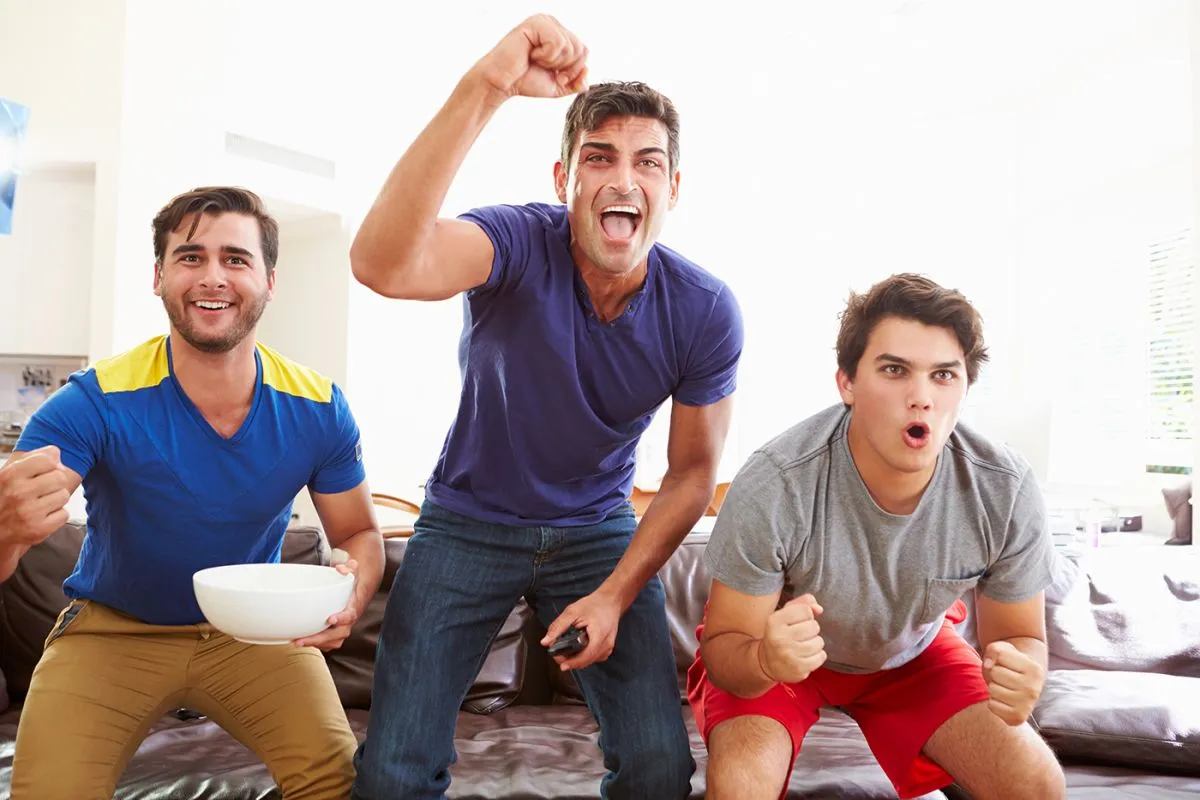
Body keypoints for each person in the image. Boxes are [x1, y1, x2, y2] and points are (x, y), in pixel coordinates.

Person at [348, 14, 743, 800]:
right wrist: (488, 84)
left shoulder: (703, 309)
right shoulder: (515, 243)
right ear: (564, 182)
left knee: (661, 768)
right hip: (466, 522)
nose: (623, 179)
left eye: (647, 163)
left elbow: (694, 474)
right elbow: (381, 264)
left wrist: (616, 592)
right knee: (392, 774)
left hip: (596, 532)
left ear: (672, 189)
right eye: (599, 159)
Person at [0, 186, 385, 799]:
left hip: (254, 636)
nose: (213, 277)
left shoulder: (318, 408)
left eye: (236, 259)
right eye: (190, 257)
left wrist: (352, 592)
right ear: (158, 276)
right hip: (111, 633)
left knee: (339, 783)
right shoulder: (93, 401)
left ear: (268, 280)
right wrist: (6, 525)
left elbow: (361, 535)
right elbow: (11, 532)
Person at [689, 273, 1066, 800]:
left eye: (943, 375)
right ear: (847, 383)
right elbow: (727, 646)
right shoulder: (776, 481)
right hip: (780, 657)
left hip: (912, 655)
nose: (921, 399)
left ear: (964, 386)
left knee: (1037, 784)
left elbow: (1019, 638)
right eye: (894, 370)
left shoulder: (1003, 489)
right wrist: (764, 661)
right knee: (739, 789)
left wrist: (1024, 677)